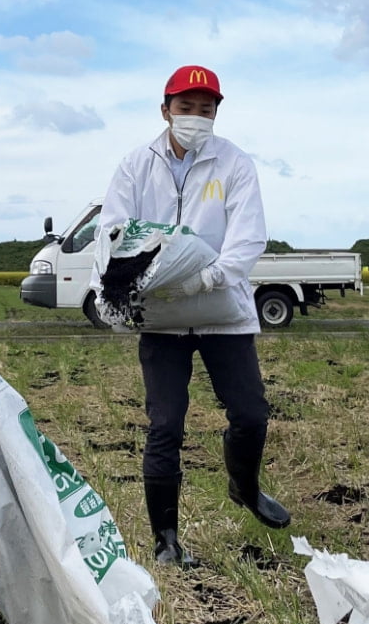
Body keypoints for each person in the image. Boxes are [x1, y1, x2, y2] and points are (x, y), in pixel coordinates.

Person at [98, 65, 289, 570]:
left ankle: (244, 488)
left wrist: (211, 276)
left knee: (250, 414)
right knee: (166, 423)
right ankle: (166, 538)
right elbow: (116, 228)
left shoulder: (235, 163)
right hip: (162, 318)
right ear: (165, 110)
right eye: (186, 107)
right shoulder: (136, 165)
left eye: (207, 109)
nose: (196, 117)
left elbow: (248, 234)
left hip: (223, 312)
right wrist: (135, 273)